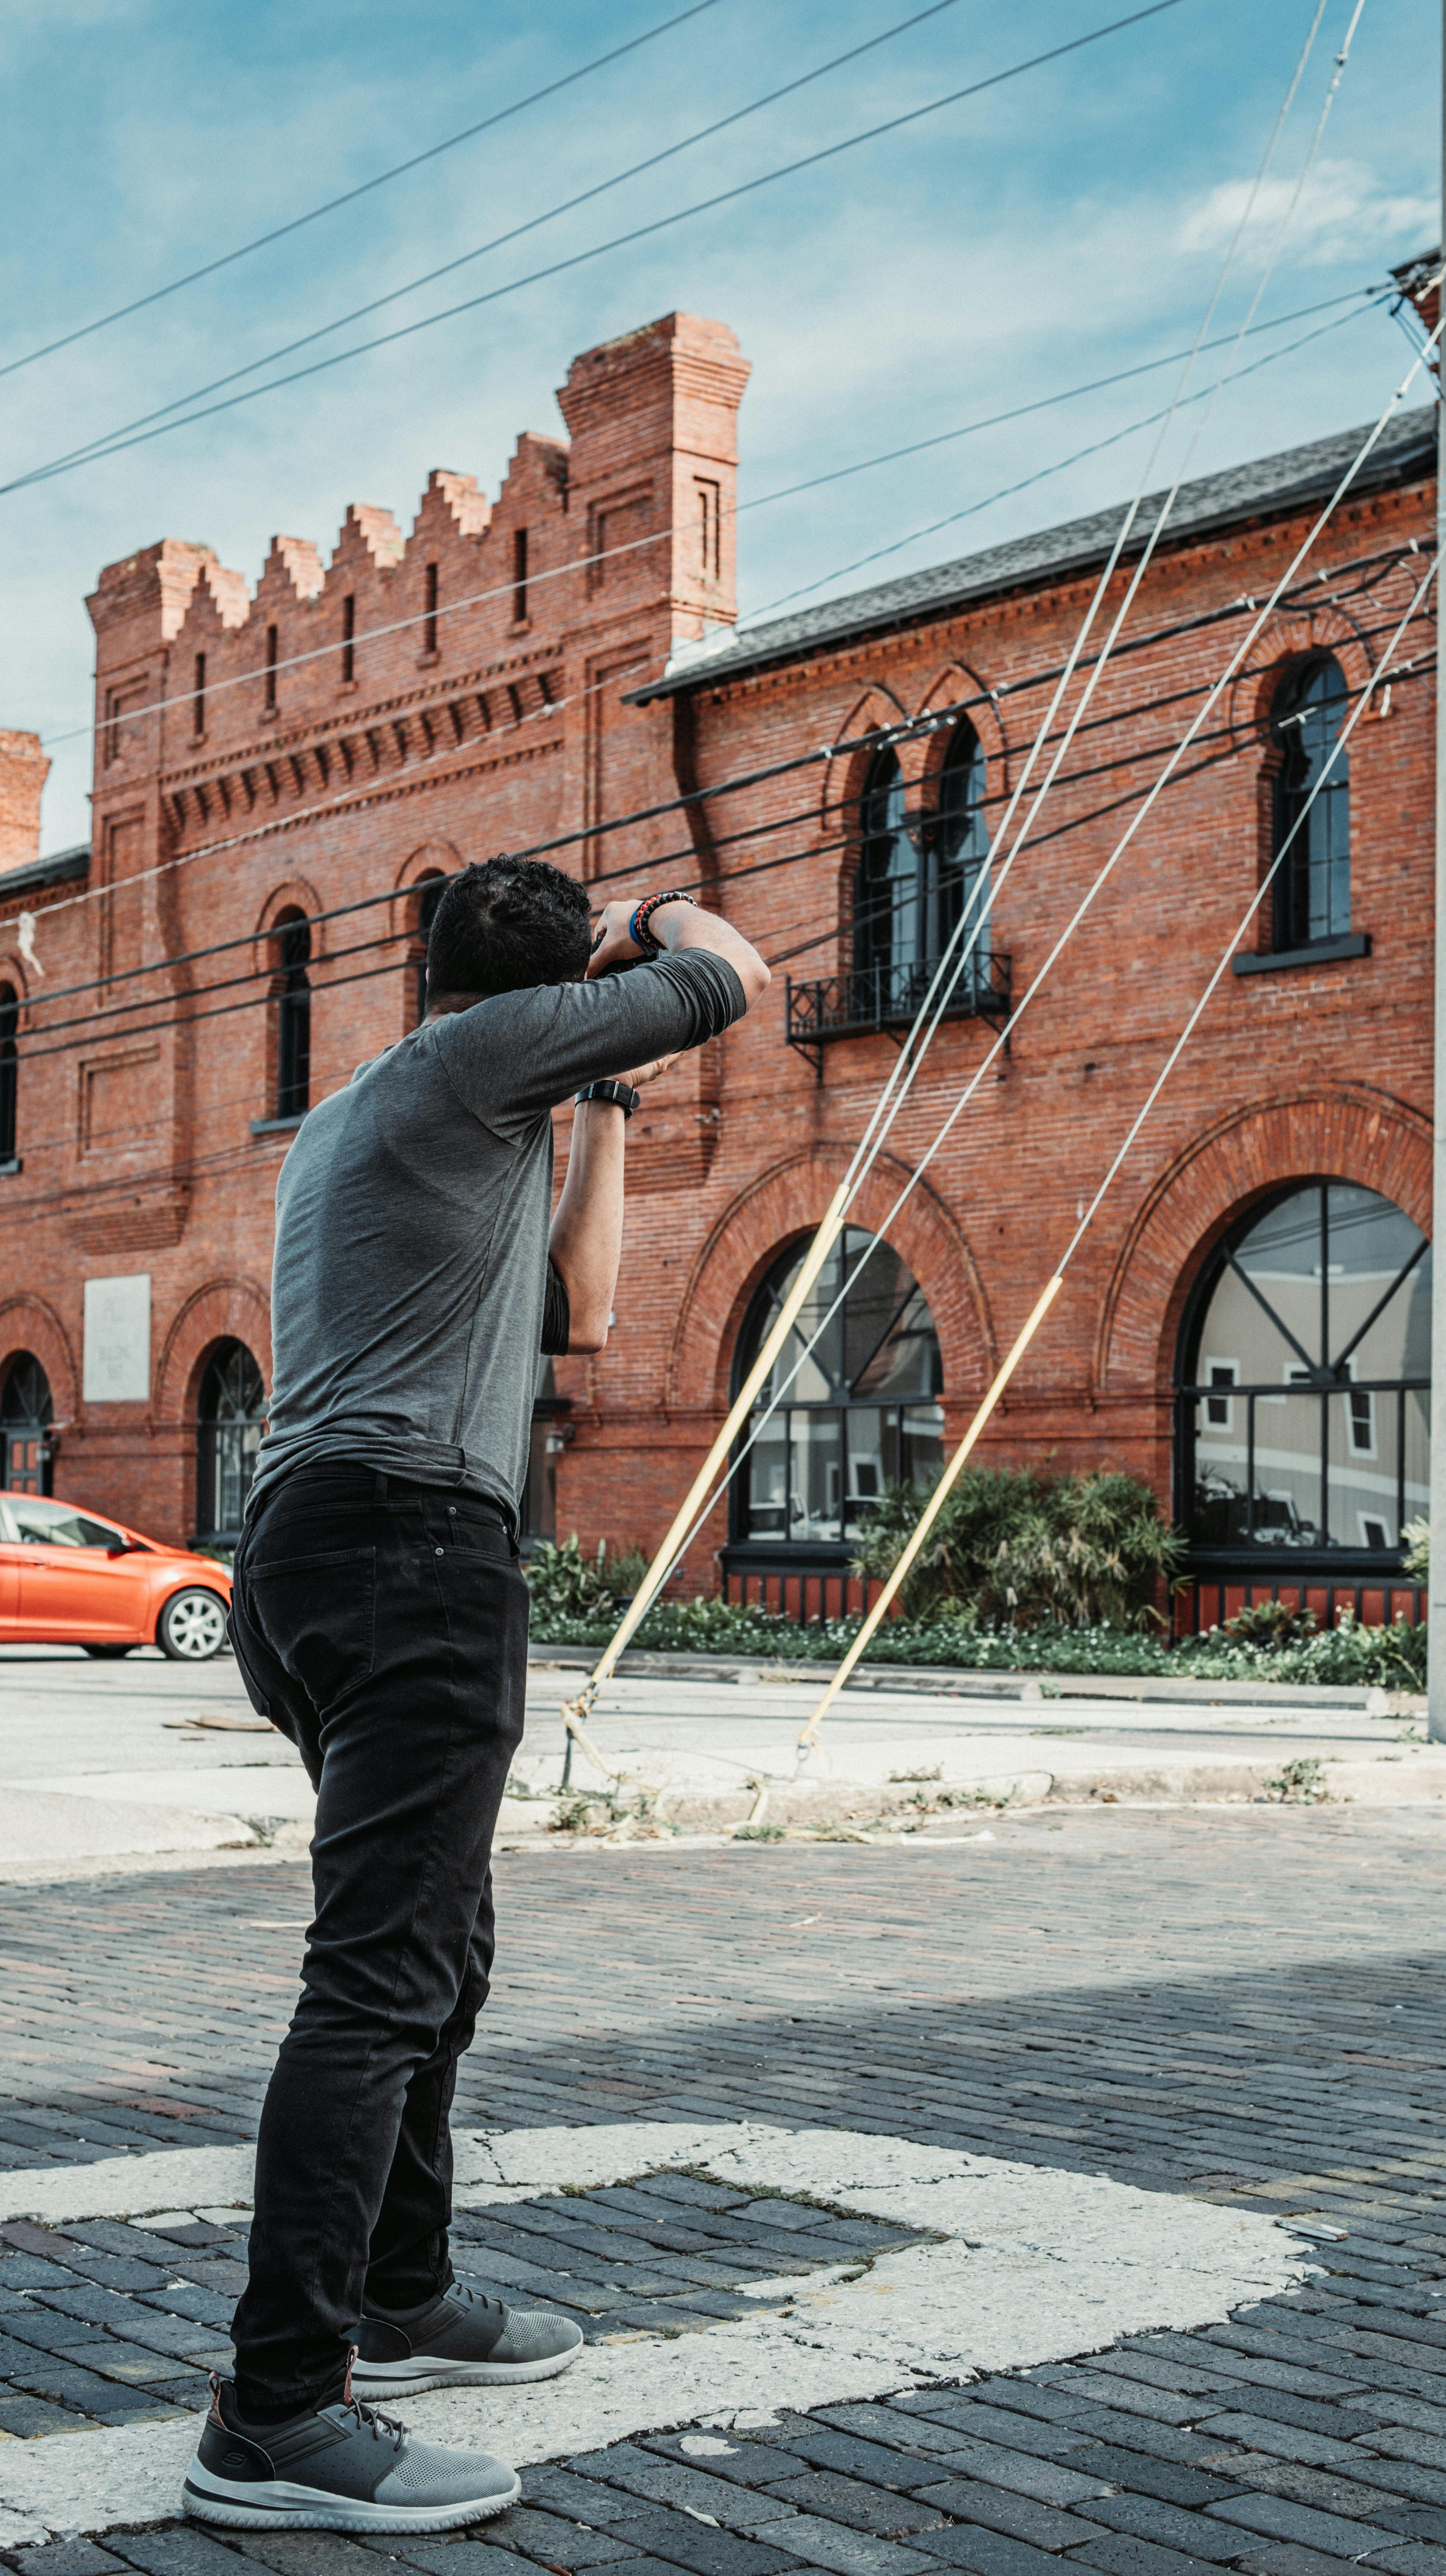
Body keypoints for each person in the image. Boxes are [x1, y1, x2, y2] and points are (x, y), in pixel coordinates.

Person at [185, 858, 767, 2535]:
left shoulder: (432, 1098)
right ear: (540, 995)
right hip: (406, 1553)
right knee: (377, 1983)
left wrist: (612, 1113)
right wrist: (653, 923)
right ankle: (277, 2415)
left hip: (328, 1553)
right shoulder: (466, 1064)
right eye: (580, 994)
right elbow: (733, 977)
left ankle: (405, 2290)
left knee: (440, 1951)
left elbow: (581, 1310)